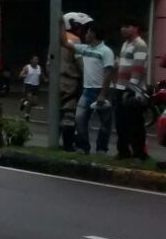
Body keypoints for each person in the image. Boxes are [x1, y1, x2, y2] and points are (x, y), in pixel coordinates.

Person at [61, 23, 114, 154]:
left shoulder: (106, 51)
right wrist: (61, 23)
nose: (85, 35)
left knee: (105, 123)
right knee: (80, 119)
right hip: (87, 90)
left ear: (94, 34)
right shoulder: (85, 49)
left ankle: (101, 148)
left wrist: (103, 94)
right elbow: (64, 42)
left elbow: (108, 74)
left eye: (88, 32)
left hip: (103, 91)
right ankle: (83, 147)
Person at [114, 18, 150, 160]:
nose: (123, 29)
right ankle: (123, 152)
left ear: (136, 28)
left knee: (134, 124)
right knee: (120, 123)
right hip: (120, 87)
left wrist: (130, 90)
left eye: (127, 26)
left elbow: (138, 69)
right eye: (122, 26)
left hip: (132, 90)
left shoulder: (140, 45)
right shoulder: (125, 44)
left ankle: (139, 154)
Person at [59, 13, 89, 151]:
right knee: (69, 113)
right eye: (80, 26)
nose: (82, 30)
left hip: (56, 81)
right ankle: (68, 145)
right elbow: (80, 62)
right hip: (71, 80)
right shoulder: (75, 40)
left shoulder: (57, 38)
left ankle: (56, 142)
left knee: (58, 113)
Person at [18, 55, 45, 122]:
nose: (36, 61)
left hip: (36, 86)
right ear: (31, 60)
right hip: (28, 85)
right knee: (30, 101)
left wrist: (45, 78)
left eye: (37, 59)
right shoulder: (27, 67)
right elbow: (20, 75)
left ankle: (24, 102)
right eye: (35, 59)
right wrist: (23, 75)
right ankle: (27, 115)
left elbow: (41, 74)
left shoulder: (39, 67)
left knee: (34, 103)